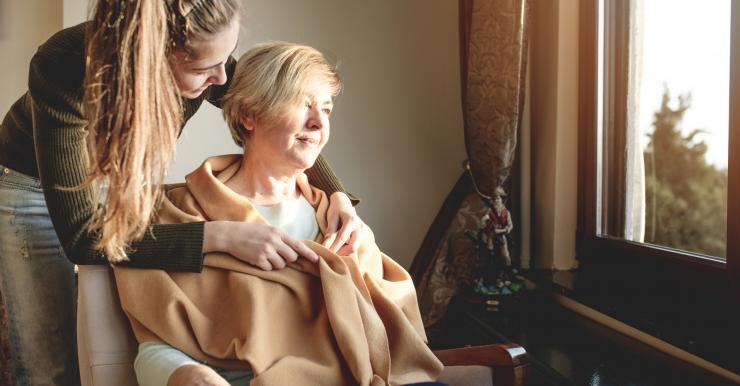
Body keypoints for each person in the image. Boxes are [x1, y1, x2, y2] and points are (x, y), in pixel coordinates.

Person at [0, 1, 362, 384]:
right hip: (31, 186)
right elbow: (84, 238)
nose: (223, 79)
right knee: (49, 362)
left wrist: (335, 192)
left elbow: (262, 105)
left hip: (119, 181)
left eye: (226, 59)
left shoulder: (208, 57)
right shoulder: (64, 65)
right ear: (152, 58)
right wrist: (221, 235)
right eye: (205, 69)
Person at [114, 41, 444, 386]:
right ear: (250, 115)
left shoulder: (338, 221)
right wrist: (186, 374)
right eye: (302, 104)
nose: (318, 123)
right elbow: (155, 345)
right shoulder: (181, 214)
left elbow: (394, 342)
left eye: (326, 109)